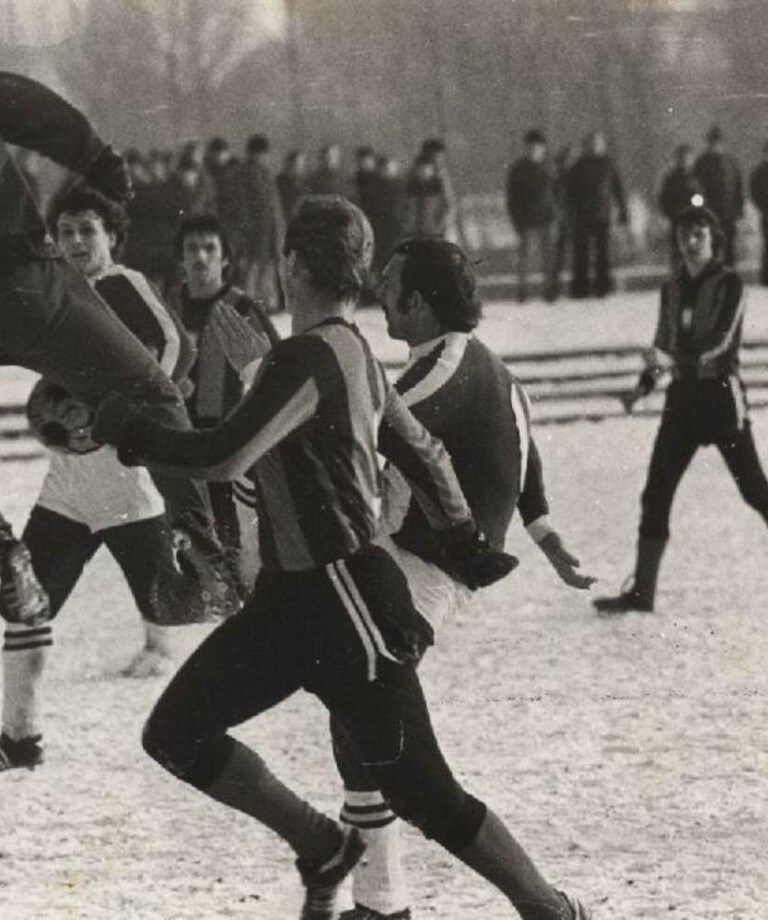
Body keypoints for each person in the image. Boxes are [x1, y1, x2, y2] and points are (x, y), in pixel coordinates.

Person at [98, 197, 589, 920]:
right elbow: (421, 450)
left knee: (426, 794)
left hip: (348, 602)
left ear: (293, 264)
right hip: (294, 603)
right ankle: (323, 846)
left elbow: (225, 451)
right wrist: (464, 537)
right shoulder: (350, 350)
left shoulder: (309, 356)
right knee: (174, 732)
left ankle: (551, 910)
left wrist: (133, 431)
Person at [333, 237, 596, 920]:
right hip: (414, 565)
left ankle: (544, 907)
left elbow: (372, 420)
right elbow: (521, 439)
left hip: (423, 572)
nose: (377, 292)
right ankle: (380, 901)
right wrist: (543, 532)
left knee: (402, 758)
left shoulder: (442, 370)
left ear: (418, 303)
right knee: (358, 715)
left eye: (388, 283)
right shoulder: (476, 364)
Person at [0, 71, 235, 767]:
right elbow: (27, 106)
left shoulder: (127, 284)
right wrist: (99, 159)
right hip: (27, 286)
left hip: (104, 472)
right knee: (155, 393)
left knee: (122, 604)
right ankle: (199, 534)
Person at [594, 205, 768, 614]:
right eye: (684, 235)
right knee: (655, 493)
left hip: (722, 398)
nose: (691, 242)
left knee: (754, 489)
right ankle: (642, 594)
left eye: (699, 235)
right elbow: (663, 342)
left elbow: (721, 343)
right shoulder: (670, 287)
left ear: (713, 239)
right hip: (683, 403)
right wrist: (642, 387)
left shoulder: (730, 284)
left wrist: (676, 361)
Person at [169, 213, 280, 592]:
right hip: (177, 438)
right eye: (191, 248)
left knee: (234, 539)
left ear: (226, 258)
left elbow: (278, 366)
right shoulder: (166, 307)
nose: (200, 257)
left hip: (230, 438)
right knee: (185, 539)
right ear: (179, 258)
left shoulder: (242, 308)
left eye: (209, 248)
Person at [566, 130, 628, 299]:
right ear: (586, 146)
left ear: (603, 145)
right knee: (582, 254)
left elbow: (618, 190)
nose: (595, 147)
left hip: (602, 214)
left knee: (603, 253)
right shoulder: (578, 166)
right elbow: (569, 192)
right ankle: (580, 289)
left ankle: (603, 288)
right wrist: (571, 213)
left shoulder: (609, 164)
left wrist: (623, 212)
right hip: (582, 215)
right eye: (592, 144)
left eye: (598, 143)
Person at [505, 130, 557, 302]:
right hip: (526, 219)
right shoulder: (518, 169)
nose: (533, 150)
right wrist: (516, 220)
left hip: (547, 218)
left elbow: (558, 193)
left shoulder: (549, 167)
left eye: (537, 147)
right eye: (530, 147)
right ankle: (523, 291)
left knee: (548, 257)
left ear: (543, 149)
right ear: (525, 148)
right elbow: (511, 198)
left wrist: (557, 214)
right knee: (525, 258)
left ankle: (549, 290)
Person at [241, 133, 283, 307]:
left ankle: (265, 303)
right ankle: (251, 305)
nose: (265, 157)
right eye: (262, 154)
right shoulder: (247, 174)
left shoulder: (265, 174)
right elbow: (248, 206)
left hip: (268, 231)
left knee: (265, 268)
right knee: (253, 269)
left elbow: (273, 207)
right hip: (256, 232)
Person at [694, 125, 743, 268]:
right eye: (713, 142)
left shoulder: (731, 162)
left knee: (729, 246)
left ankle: (729, 274)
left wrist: (739, 208)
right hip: (710, 212)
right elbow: (697, 189)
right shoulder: (702, 163)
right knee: (711, 246)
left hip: (729, 212)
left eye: (718, 142)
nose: (716, 145)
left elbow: (738, 188)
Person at [658, 144, 703, 267]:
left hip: (693, 218)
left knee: (693, 248)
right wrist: (669, 213)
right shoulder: (671, 178)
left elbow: (702, 196)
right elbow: (664, 198)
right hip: (676, 219)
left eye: (688, 158)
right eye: (683, 158)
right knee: (677, 250)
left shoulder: (696, 177)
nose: (685, 161)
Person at [749, 140, 768, 286]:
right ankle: (765, 277)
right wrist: (762, 206)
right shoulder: (759, 173)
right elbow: (754, 193)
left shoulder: (759, 173)